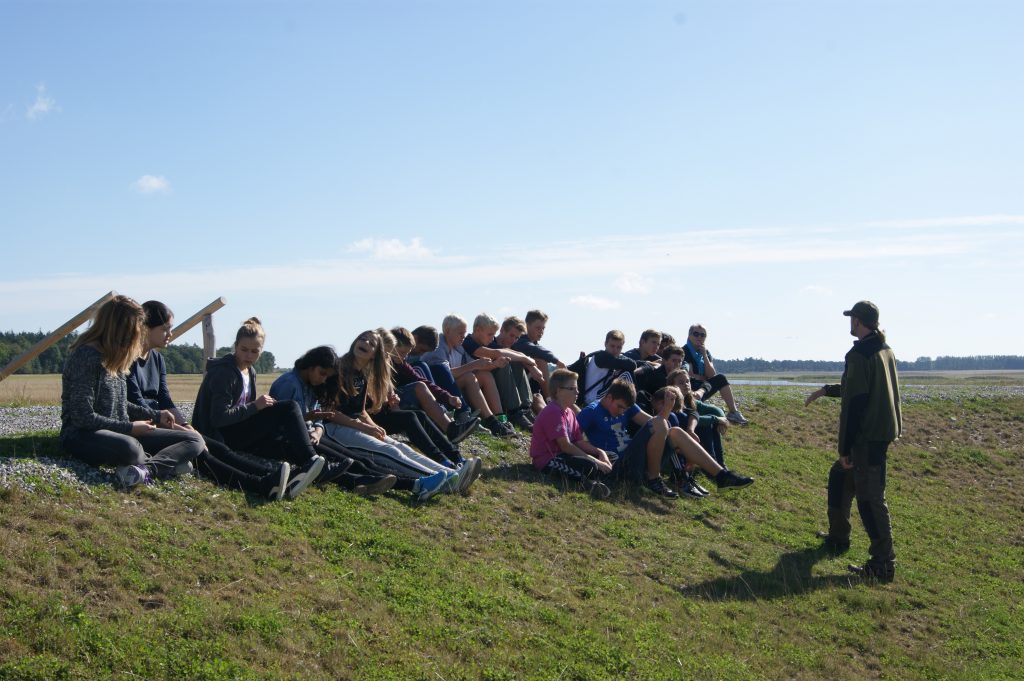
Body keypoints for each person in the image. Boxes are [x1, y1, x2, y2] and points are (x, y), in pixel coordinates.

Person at [128, 300, 292, 500]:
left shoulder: (157, 359)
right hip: (142, 424)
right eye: (165, 329)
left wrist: (185, 424)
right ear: (146, 328)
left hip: (160, 420)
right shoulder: (129, 360)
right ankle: (259, 484)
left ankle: (269, 476)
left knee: (214, 445)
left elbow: (165, 398)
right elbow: (138, 404)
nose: (170, 334)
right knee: (201, 452)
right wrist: (180, 430)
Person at [60, 295, 204, 489]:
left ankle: (146, 470)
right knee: (131, 448)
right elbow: (82, 418)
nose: (139, 335)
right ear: (121, 329)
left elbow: (120, 404)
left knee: (194, 439)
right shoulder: (85, 357)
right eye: (137, 330)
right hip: (83, 435)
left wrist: (156, 415)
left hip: (120, 430)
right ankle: (161, 464)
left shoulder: (114, 355)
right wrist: (130, 428)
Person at [805, 301, 902, 582]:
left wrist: (846, 449)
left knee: (870, 500)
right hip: (879, 433)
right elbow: (856, 388)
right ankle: (838, 537)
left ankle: (883, 564)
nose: (850, 322)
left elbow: (857, 402)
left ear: (858, 321)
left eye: (852, 318)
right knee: (839, 477)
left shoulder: (860, 353)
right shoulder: (885, 350)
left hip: (867, 438)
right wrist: (826, 390)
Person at [319, 330, 479, 500]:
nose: (365, 343)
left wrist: (374, 427)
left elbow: (361, 410)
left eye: (371, 343)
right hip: (334, 429)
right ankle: (442, 479)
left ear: (375, 354)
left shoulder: (362, 374)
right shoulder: (340, 369)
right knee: (388, 451)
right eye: (362, 339)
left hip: (355, 424)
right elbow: (329, 413)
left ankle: (451, 473)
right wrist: (365, 427)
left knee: (401, 447)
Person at [192, 317, 326, 499]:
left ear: (261, 351)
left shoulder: (250, 372)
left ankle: (312, 471)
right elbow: (219, 418)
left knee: (281, 436)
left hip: (235, 428)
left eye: (254, 351)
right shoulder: (224, 372)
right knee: (289, 407)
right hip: (218, 433)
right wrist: (255, 406)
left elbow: (244, 411)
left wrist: (258, 410)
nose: (248, 356)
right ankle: (309, 461)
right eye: (243, 350)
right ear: (235, 346)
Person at [270, 345, 397, 496]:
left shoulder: (312, 384)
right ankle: (370, 481)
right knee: (342, 461)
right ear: (310, 365)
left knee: (353, 459)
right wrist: (308, 419)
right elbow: (279, 421)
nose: (323, 380)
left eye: (327, 376)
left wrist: (317, 432)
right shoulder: (289, 383)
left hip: (311, 437)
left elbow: (319, 419)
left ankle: (385, 480)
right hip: (291, 441)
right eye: (322, 373)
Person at [421, 314, 516, 437]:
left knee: (484, 375)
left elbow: (475, 367)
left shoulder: (459, 348)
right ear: (447, 331)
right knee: (469, 377)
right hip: (439, 391)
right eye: (460, 333)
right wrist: (474, 365)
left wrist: (495, 364)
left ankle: (499, 417)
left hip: (455, 391)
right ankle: (485, 420)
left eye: (464, 333)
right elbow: (444, 374)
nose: (463, 337)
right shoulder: (438, 347)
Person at [529, 368, 612, 499]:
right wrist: (595, 461)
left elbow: (578, 442)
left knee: (600, 462)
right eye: (572, 388)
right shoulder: (553, 412)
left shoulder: (570, 413)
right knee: (590, 466)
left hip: (563, 456)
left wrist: (600, 453)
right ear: (559, 391)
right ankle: (589, 484)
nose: (577, 392)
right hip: (547, 460)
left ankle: (594, 480)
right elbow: (566, 446)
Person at [682, 324, 749, 425]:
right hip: (690, 388)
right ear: (689, 336)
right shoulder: (684, 351)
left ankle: (733, 412)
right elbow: (688, 375)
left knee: (721, 378)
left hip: (703, 386)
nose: (699, 337)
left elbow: (712, 375)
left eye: (702, 335)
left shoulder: (706, 352)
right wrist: (701, 377)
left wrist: (704, 355)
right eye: (696, 334)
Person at [512, 309, 565, 404]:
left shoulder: (533, 344)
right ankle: (550, 400)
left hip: (531, 383)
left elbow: (538, 348)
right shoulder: (519, 340)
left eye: (543, 328)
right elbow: (535, 349)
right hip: (516, 382)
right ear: (527, 326)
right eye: (538, 328)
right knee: (540, 360)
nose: (541, 331)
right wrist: (557, 361)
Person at [576, 330, 638, 405]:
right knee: (627, 373)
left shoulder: (611, 358)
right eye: (612, 346)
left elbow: (632, 363)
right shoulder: (601, 357)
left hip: (598, 394)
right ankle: (633, 404)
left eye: (619, 347)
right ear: (605, 344)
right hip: (593, 398)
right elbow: (632, 365)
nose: (615, 350)